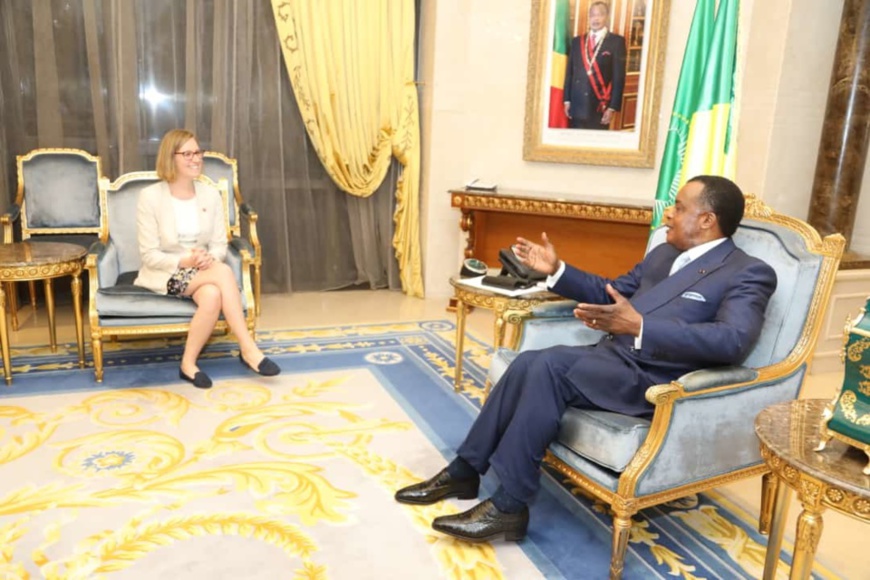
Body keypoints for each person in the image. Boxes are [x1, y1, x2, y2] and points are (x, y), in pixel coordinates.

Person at [394, 175, 777, 543]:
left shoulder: (748, 272)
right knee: (528, 362)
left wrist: (641, 326)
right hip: (612, 359)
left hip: (656, 380)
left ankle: (510, 505)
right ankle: (465, 470)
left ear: (707, 220)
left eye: (678, 208)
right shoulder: (663, 254)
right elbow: (611, 291)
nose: (668, 215)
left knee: (549, 367)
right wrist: (556, 271)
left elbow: (733, 340)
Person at [135, 129, 280, 389]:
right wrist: (186, 260)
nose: (196, 158)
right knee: (223, 274)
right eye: (188, 153)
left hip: (204, 269)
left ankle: (188, 364)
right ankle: (248, 348)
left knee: (212, 295)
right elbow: (149, 254)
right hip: (165, 272)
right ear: (171, 157)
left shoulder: (210, 195)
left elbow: (218, 245)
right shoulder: (150, 197)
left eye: (198, 152)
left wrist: (207, 258)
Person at [563, 1, 627, 130]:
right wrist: (567, 100)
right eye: (592, 15)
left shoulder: (617, 42)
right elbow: (569, 74)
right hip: (577, 105)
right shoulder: (577, 42)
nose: (596, 18)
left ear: (607, 17)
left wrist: (612, 107)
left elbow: (618, 78)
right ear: (589, 17)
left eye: (600, 15)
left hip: (599, 106)